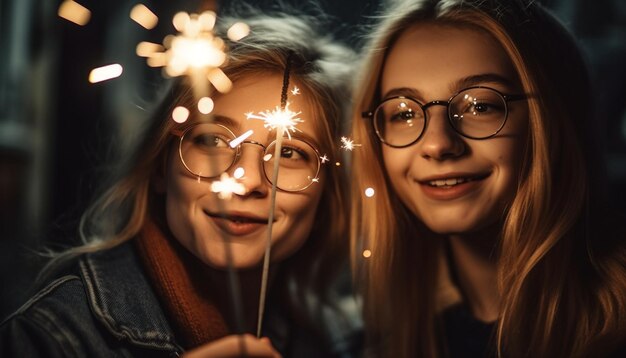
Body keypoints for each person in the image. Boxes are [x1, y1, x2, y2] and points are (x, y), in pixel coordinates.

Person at [0, 10, 360, 357]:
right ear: (160, 166)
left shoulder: (332, 336)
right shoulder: (57, 336)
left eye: (291, 153)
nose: (246, 181)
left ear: (327, 192)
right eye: (213, 140)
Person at [349, 0, 626, 357]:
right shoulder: (375, 345)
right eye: (404, 113)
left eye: (480, 106)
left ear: (554, 120)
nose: (437, 144)